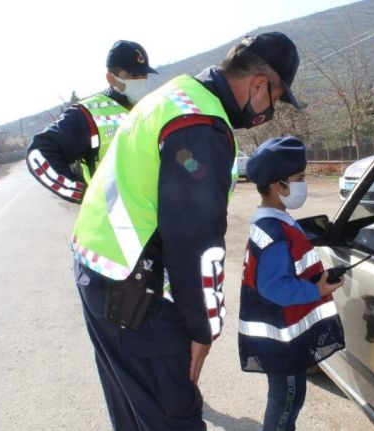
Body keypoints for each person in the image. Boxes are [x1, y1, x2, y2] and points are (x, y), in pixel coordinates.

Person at [71, 32, 301, 430]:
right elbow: (196, 242)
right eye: (276, 98)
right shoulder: (202, 125)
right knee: (171, 417)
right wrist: (203, 330)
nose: (272, 109)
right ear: (259, 84)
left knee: (133, 411)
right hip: (138, 297)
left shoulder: (174, 95)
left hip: (98, 272)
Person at [238, 136, 345, 431]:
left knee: (291, 395)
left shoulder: (277, 219)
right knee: (286, 399)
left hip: (285, 338)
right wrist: (317, 289)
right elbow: (275, 287)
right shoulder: (273, 231)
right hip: (280, 341)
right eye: (299, 178)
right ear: (277, 186)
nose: (303, 184)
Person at [26, 40, 160, 203]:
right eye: (133, 75)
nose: (141, 80)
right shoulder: (88, 113)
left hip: (154, 219)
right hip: (110, 223)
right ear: (111, 78)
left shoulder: (153, 108)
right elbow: (39, 153)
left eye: (144, 74)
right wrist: (82, 193)